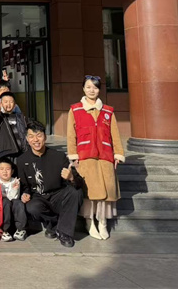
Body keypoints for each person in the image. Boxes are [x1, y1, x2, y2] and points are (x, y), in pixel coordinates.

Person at [67, 75, 125, 241]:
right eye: (88, 87)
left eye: (95, 87)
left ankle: (103, 222)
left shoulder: (108, 111)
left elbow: (115, 134)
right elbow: (71, 136)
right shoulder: (75, 110)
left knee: (107, 191)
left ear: (99, 90)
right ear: (83, 89)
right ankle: (90, 222)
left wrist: (118, 154)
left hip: (105, 156)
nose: (92, 90)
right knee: (90, 192)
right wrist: (73, 156)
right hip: (85, 156)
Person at [18, 121, 84, 248]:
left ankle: (64, 233)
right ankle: (54, 224)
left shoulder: (58, 156)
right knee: (32, 207)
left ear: (45, 137)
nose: (35, 140)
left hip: (58, 195)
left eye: (39, 135)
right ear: (27, 139)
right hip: (39, 197)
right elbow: (25, 185)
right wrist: (25, 193)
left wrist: (71, 177)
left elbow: (79, 182)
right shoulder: (22, 160)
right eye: (31, 136)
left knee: (76, 192)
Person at [0, 92, 28, 161]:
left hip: (21, 151)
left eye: (11, 102)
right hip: (6, 153)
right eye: (6, 102)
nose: (8, 104)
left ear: (15, 104)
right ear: (1, 103)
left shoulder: (20, 117)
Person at [0, 157, 27, 242]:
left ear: (12, 171)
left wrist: (14, 188)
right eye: (1, 169)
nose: (5, 171)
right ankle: (4, 230)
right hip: (1, 206)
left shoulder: (15, 181)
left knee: (18, 202)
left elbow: (14, 198)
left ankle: (20, 229)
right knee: (5, 201)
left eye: (8, 169)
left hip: (12, 204)